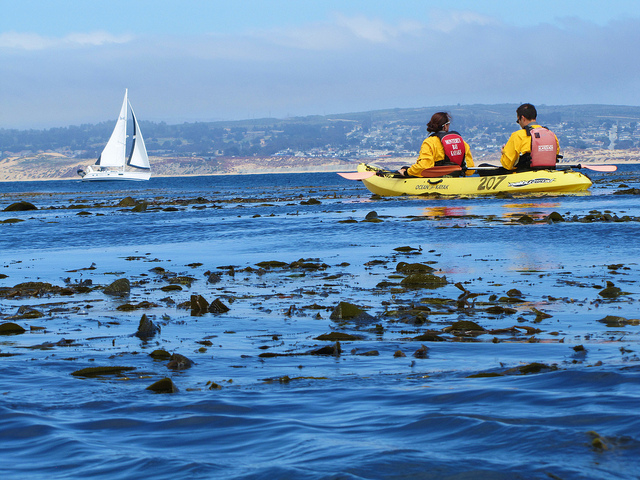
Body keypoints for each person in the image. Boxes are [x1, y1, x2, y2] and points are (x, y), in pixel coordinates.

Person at [398, 112, 474, 177]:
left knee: (404, 168)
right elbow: (470, 170)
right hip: (456, 177)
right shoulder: (461, 142)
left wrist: (406, 172)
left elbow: (424, 166)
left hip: (436, 179)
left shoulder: (429, 142)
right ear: (445, 126)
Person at [499, 103, 560, 172]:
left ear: (522, 118)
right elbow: (556, 154)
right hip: (550, 175)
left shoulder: (518, 136)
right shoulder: (551, 134)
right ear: (535, 117)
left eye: (518, 121)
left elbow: (507, 164)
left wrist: (504, 152)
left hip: (524, 176)